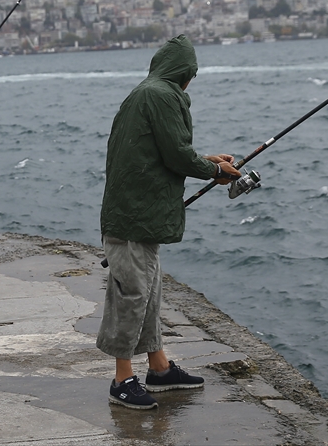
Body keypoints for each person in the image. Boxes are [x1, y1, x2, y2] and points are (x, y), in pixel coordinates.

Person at [98, 34, 240, 410]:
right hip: (134, 215)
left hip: (135, 212)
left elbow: (160, 150)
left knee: (149, 291)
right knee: (132, 295)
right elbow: (177, 154)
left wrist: (208, 160)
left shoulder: (145, 92)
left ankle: (159, 369)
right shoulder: (163, 95)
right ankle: (122, 379)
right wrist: (213, 169)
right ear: (186, 73)